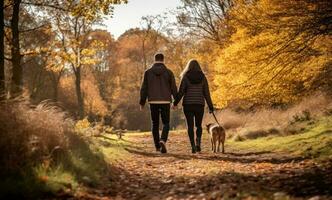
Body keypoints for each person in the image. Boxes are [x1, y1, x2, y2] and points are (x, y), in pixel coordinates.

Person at [139, 53, 177, 154]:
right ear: (163, 60)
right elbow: (173, 87)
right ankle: (163, 140)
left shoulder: (148, 72)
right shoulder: (169, 72)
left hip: (153, 101)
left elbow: (144, 88)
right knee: (166, 123)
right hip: (165, 101)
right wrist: (175, 101)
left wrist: (142, 102)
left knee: (155, 124)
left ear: (154, 59)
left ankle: (157, 147)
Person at [173, 59, 214, 153]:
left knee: (190, 126)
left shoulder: (185, 77)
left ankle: (192, 146)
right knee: (198, 125)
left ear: (189, 66)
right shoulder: (203, 77)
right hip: (199, 104)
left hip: (188, 104)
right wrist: (210, 106)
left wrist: (175, 103)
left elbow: (181, 92)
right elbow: (206, 93)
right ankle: (198, 143)